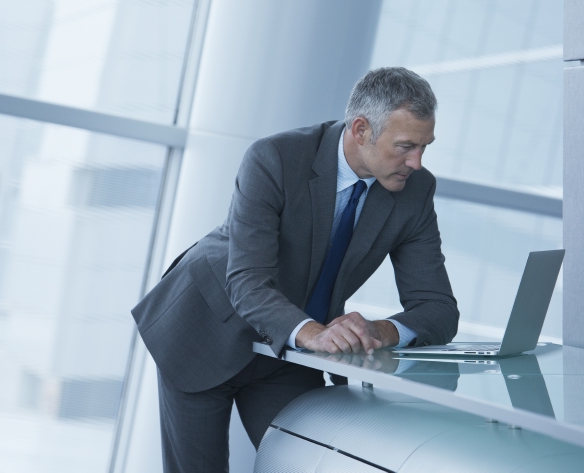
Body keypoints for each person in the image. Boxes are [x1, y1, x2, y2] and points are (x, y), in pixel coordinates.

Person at [131, 67, 459, 473]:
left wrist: (380, 331)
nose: (417, 162)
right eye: (406, 146)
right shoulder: (276, 157)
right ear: (360, 130)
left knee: (311, 463)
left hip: (289, 351)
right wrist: (316, 334)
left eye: (425, 147)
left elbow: (439, 309)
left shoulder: (416, 191)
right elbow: (248, 281)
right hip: (206, 328)